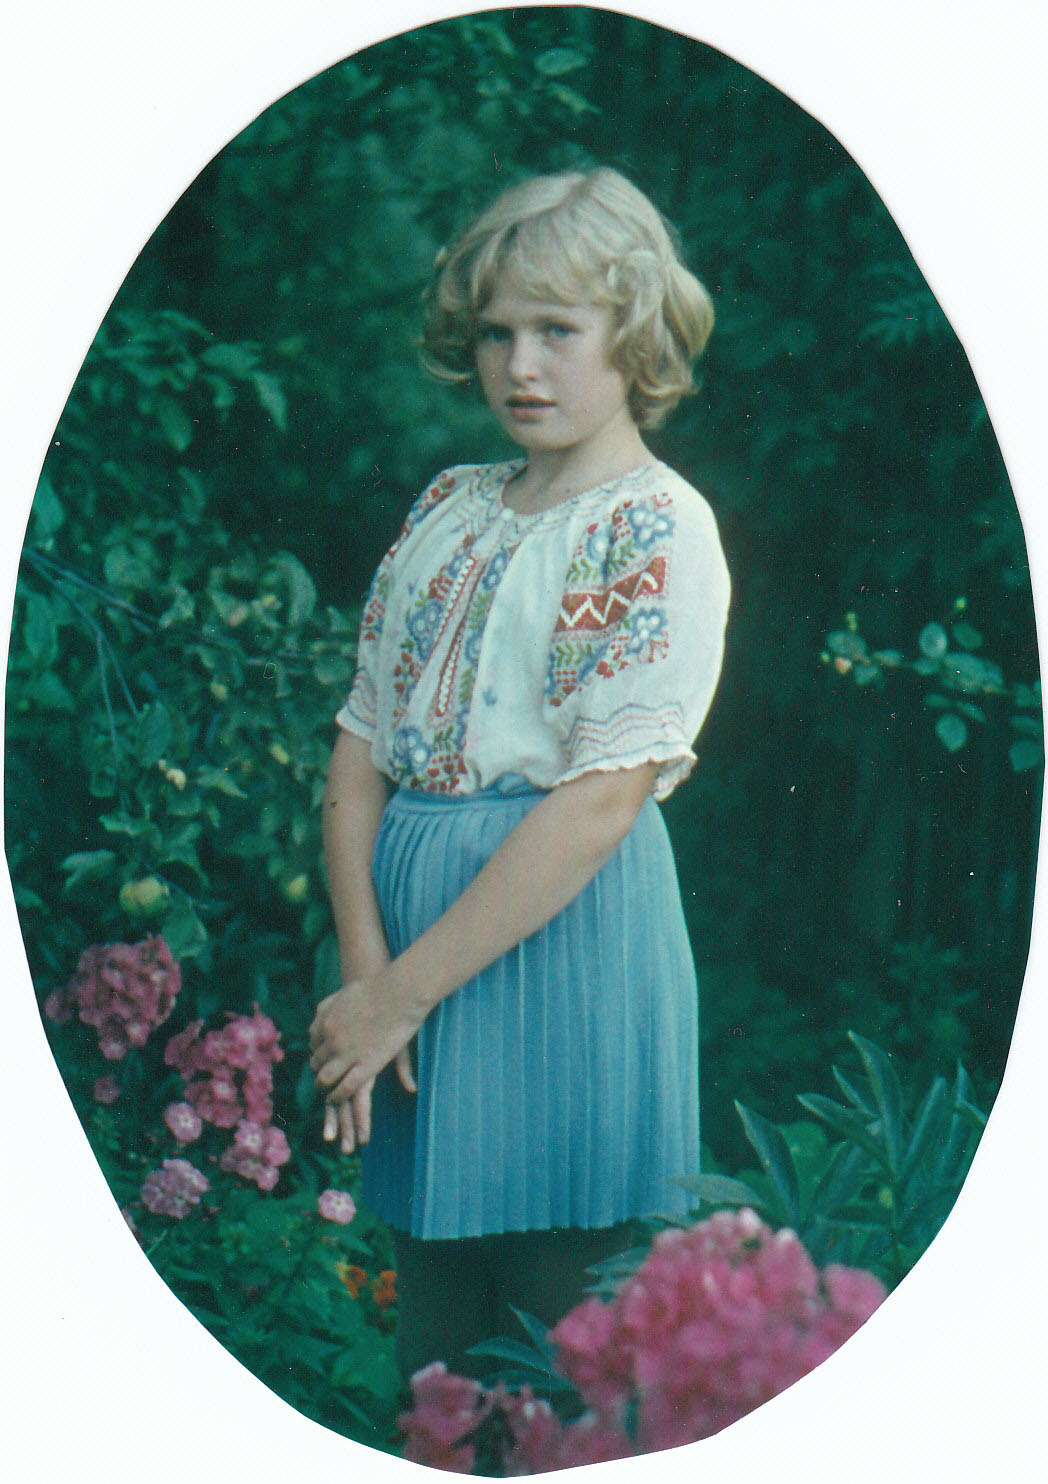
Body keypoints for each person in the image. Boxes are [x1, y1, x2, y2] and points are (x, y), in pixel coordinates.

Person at [308, 167, 731, 1381]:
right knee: (437, 1343)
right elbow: (360, 746)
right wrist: (367, 974)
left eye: (557, 329)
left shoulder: (657, 526)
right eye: (496, 333)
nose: (520, 365)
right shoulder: (452, 505)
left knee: (563, 1335)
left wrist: (402, 991)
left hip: (561, 946)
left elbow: (600, 801)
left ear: (632, 332)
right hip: (409, 960)